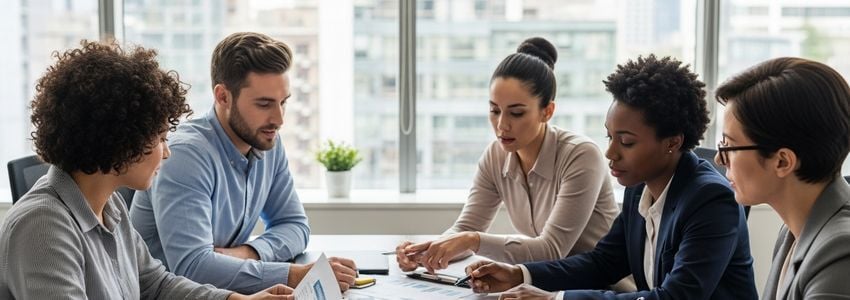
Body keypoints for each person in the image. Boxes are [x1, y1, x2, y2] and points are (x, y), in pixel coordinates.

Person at [0, 40, 293, 299]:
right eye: (160, 138)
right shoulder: (42, 227)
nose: (167, 152)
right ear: (120, 139)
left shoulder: (109, 206)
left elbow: (156, 284)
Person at [461, 55, 758, 299]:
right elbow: (602, 262)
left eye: (626, 142)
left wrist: (557, 299)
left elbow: (676, 297)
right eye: (610, 137)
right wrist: (520, 274)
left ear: (672, 142)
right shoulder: (639, 188)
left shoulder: (711, 201)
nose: (610, 153)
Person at [129, 32, 356, 294]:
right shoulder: (185, 155)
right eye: (264, 104)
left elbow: (295, 226)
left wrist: (248, 253)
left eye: (283, 103)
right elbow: (193, 267)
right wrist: (293, 275)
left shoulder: (267, 140)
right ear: (223, 96)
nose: (279, 119)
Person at [395, 37, 619, 273]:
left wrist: (473, 240)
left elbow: (551, 250)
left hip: (604, 288)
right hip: (547, 286)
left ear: (547, 111)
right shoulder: (496, 156)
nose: (502, 125)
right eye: (494, 110)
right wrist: (426, 253)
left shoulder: (581, 156)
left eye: (517, 113)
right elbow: (466, 227)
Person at [715, 57, 850, 300]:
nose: (719, 159)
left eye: (730, 146)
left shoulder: (841, 251)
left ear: (782, 162)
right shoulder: (793, 229)